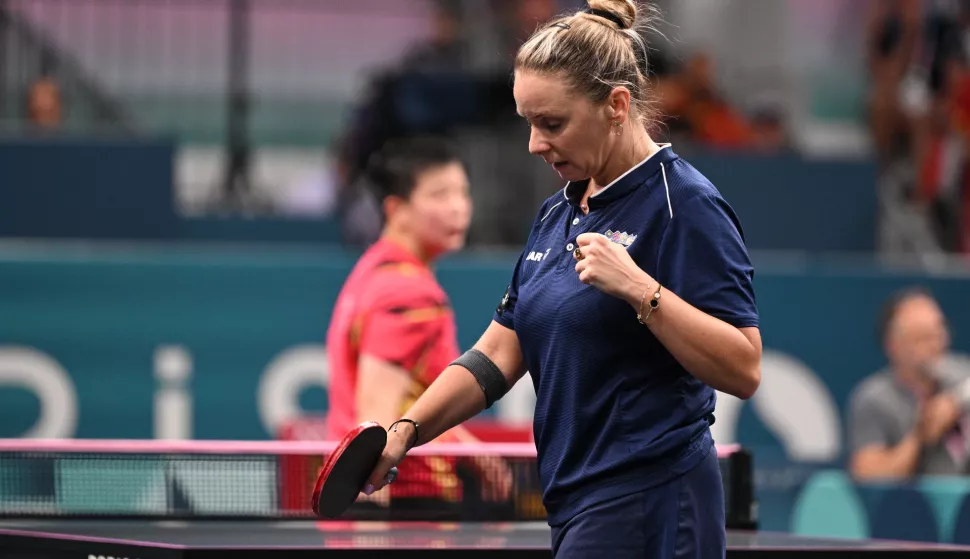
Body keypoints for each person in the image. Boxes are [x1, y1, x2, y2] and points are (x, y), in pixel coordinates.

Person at [364, 1, 762, 557]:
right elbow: (500, 351)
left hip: (654, 501)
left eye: (552, 124)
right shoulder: (558, 213)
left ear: (617, 106)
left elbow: (744, 367)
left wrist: (640, 290)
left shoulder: (684, 205)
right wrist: (406, 430)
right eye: (528, 122)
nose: (534, 143)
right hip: (576, 503)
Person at [326, 136, 509, 519]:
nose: (459, 207)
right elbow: (374, 430)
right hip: (407, 503)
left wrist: (469, 448)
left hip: (398, 500)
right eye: (440, 195)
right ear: (397, 210)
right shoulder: (408, 293)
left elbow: (408, 401)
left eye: (463, 192)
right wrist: (371, 536)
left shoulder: (370, 272)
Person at [848, 287, 970, 480]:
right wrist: (921, 434)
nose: (936, 345)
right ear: (894, 345)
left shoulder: (960, 373)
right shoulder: (874, 398)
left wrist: (957, 401)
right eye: (922, 338)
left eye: (939, 333)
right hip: (910, 506)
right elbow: (868, 476)